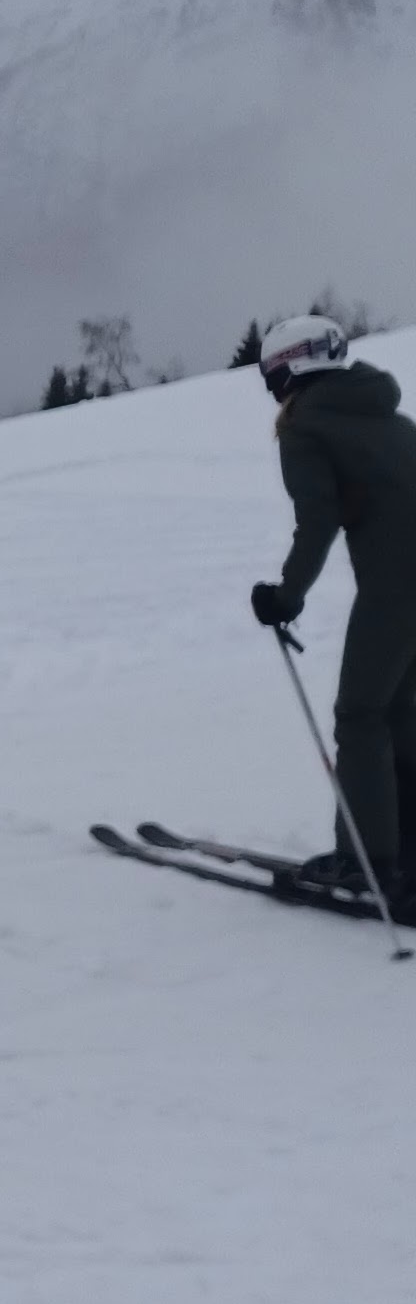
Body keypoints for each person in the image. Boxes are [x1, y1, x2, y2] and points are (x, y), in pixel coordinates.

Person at [250, 313, 416, 903]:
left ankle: (366, 861)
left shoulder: (308, 428)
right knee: (400, 715)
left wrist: (284, 598)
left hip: (395, 593)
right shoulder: (393, 418)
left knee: (360, 716)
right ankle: (404, 854)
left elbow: (317, 523)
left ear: (290, 368)